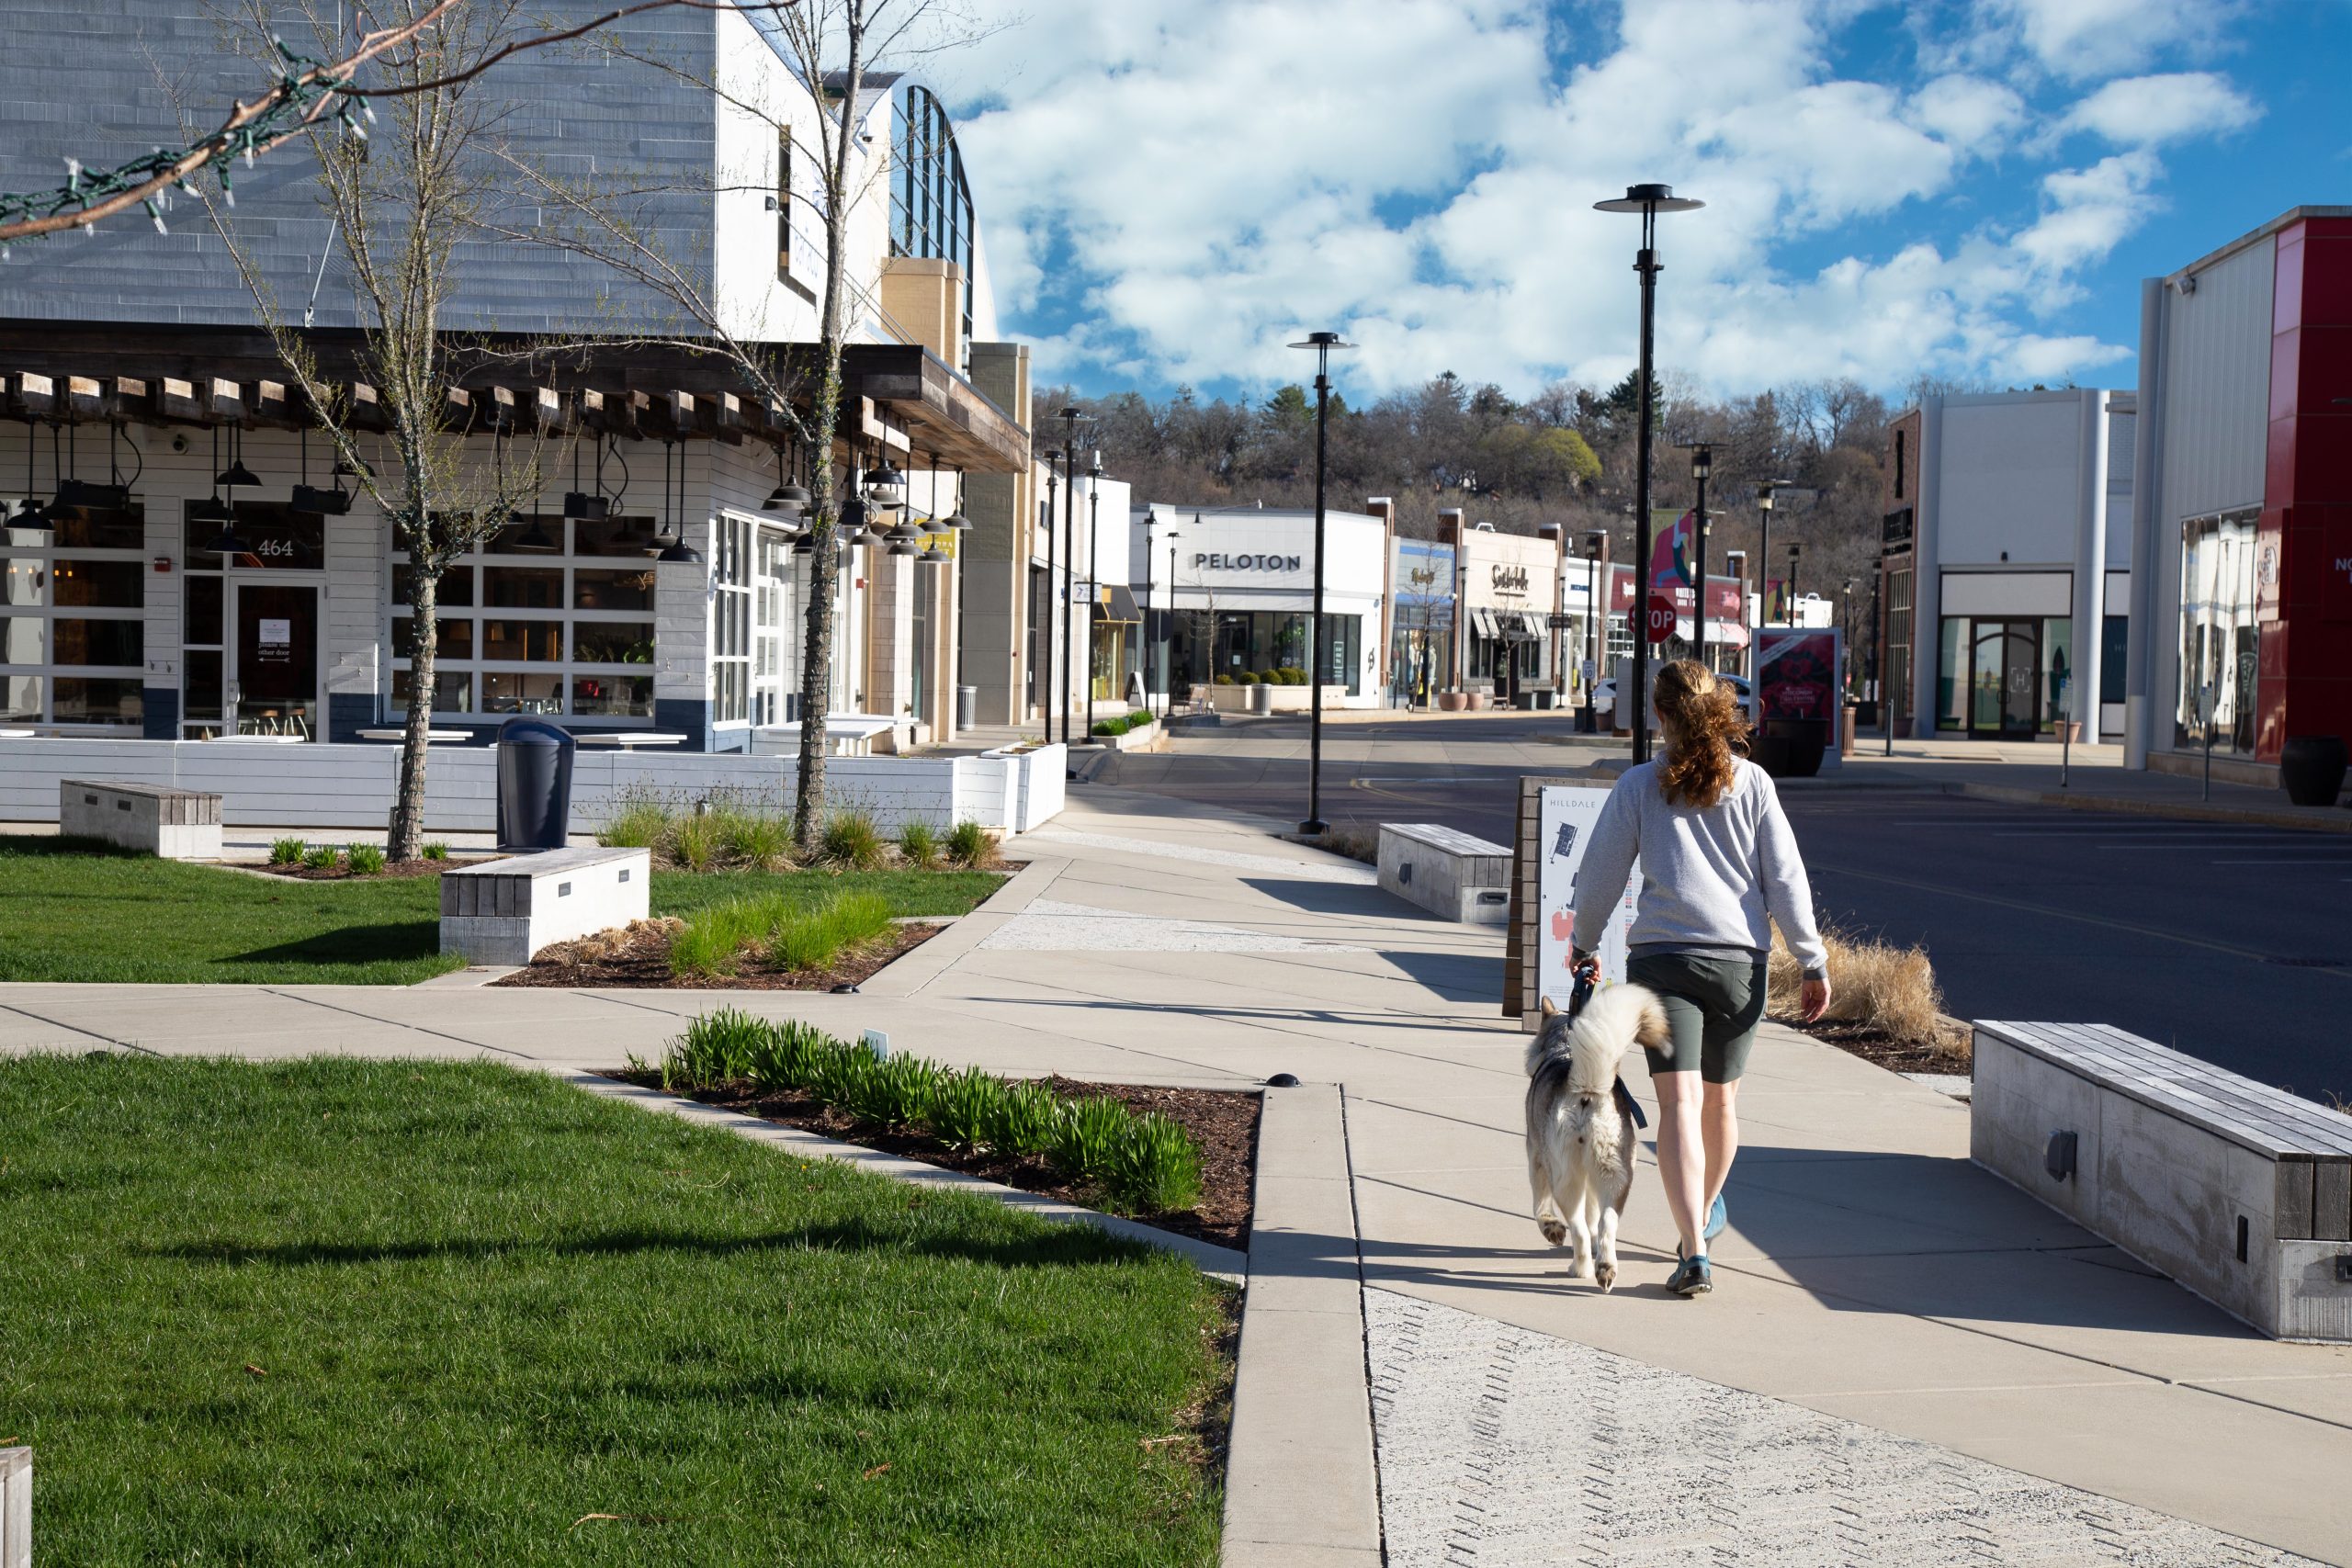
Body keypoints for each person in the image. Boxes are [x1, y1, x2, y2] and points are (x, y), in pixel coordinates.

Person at [1570, 659, 1830, 1298]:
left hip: (1663, 960)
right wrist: (1812, 959)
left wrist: (1583, 943)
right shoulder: (1755, 783)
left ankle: (1693, 1249)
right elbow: (1786, 881)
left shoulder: (1639, 784)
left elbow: (1600, 874)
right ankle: (1705, 1212)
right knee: (1722, 1104)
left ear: (1659, 716)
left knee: (1677, 1107)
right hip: (1741, 964)